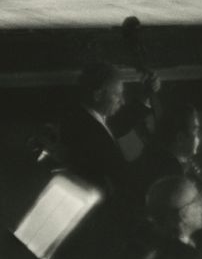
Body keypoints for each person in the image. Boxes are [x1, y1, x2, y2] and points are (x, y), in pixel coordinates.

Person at [57, 61, 160, 196]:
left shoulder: (91, 117)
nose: (122, 101)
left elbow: (118, 124)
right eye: (117, 95)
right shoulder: (86, 130)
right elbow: (115, 172)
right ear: (98, 95)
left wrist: (146, 94)